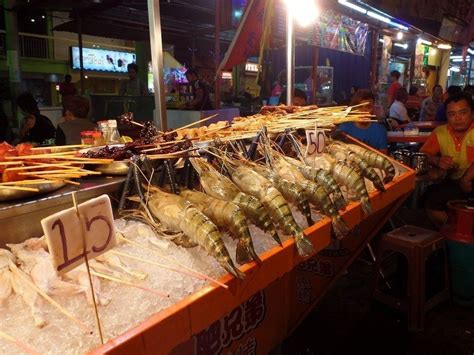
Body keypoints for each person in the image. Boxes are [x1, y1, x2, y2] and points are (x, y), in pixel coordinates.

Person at [420, 93, 474, 228]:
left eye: (463, 113)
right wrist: (437, 160)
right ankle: (455, 234)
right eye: (452, 114)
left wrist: (467, 177)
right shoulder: (440, 132)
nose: (458, 118)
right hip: (454, 181)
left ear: (472, 114)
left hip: (470, 181)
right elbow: (423, 153)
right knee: (429, 200)